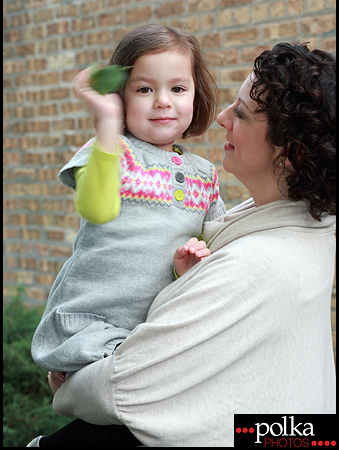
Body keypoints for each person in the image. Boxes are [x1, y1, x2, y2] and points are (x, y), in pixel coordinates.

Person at [28, 42, 335, 447]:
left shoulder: (258, 263)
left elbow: (117, 390)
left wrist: (70, 389)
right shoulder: (309, 225)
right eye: (143, 89)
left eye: (240, 113)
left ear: (289, 153)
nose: (223, 117)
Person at [30, 25, 226, 384]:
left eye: (178, 88)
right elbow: (97, 209)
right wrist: (107, 124)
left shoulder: (205, 175)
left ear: (196, 96)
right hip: (90, 325)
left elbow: (218, 249)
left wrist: (191, 267)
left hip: (152, 329)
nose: (163, 100)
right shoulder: (109, 150)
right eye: (144, 89)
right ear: (120, 95)